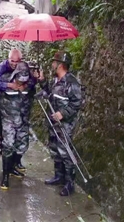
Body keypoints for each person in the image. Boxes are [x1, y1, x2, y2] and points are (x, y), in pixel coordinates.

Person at [39, 51, 83, 196]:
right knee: (55, 150)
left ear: (60, 65)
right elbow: (49, 93)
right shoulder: (55, 81)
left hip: (65, 125)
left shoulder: (72, 83)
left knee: (65, 153)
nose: (52, 64)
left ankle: (69, 183)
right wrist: (42, 81)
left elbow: (77, 103)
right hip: (53, 123)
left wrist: (62, 114)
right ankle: (59, 176)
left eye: (54, 62)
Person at [0, 62, 34, 190]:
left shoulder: (29, 84)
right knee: (8, 146)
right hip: (9, 120)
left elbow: (38, 89)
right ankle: (5, 176)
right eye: (19, 80)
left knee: (23, 145)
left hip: (23, 121)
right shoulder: (4, 80)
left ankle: (13, 167)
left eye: (24, 80)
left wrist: (39, 78)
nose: (21, 83)